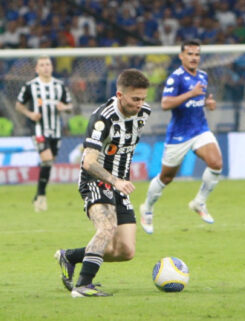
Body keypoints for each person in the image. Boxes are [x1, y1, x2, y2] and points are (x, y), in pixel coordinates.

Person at [54, 69, 151, 297]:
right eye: (135, 99)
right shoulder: (102, 119)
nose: (140, 104)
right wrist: (114, 180)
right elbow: (88, 162)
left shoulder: (143, 113)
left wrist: (120, 179)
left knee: (125, 251)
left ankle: (70, 256)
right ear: (120, 94)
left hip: (119, 184)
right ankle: (83, 285)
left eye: (143, 98)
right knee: (106, 228)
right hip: (96, 180)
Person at [139, 39, 222, 234]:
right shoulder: (175, 78)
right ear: (181, 56)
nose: (194, 58)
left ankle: (199, 202)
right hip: (179, 135)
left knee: (216, 163)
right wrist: (191, 94)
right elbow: (166, 103)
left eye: (197, 54)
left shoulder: (203, 76)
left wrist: (207, 103)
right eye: (190, 54)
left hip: (200, 129)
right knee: (166, 177)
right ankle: (147, 209)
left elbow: (198, 100)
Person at [15, 55, 72, 212]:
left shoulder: (59, 86)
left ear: (52, 67)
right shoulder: (30, 86)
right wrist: (30, 114)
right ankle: (41, 196)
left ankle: (38, 195)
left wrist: (65, 108)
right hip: (39, 129)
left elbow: (70, 105)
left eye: (48, 64)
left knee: (49, 162)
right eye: (42, 65)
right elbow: (19, 105)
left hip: (55, 130)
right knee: (46, 159)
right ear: (37, 69)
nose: (46, 67)